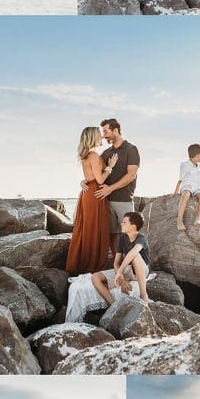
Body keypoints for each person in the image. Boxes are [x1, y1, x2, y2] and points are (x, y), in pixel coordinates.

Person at [67, 127, 116, 275]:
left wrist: (84, 181)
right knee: (95, 229)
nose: (101, 137)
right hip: (95, 193)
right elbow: (100, 179)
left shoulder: (86, 155)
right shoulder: (93, 155)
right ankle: (92, 265)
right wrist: (110, 167)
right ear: (92, 137)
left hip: (89, 192)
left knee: (87, 229)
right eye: (98, 135)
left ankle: (84, 263)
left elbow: (90, 177)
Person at [97, 119, 141, 254]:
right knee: (111, 234)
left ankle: (133, 267)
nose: (104, 136)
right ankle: (118, 265)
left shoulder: (131, 149)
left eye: (106, 131)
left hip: (124, 199)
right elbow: (95, 173)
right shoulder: (106, 153)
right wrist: (84, 182)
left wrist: (110, 188)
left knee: (130, 234)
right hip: (107, 201)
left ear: (115, 130)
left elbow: (131, 175)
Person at [91, 211, 150, 308]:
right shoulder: (122, 238)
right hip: (128, 269)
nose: (121, 224)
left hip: (142, 271)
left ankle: (144, 295)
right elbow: (116, 262)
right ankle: (113, 307)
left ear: (133, 227)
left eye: (124, 222)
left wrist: (120, 272)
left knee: (134, 256)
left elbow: (133, 253)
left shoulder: (142, 238)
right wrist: (121, 279)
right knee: (95, 277)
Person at [174, 144, 200, 231]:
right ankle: (179, 221)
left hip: (197, 188)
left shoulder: (199, 167)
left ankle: (198, 219)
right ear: (197, 155)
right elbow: (180, 180)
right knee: (186, 195)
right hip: (187, 186)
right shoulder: (184, 165)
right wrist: (175, 193)